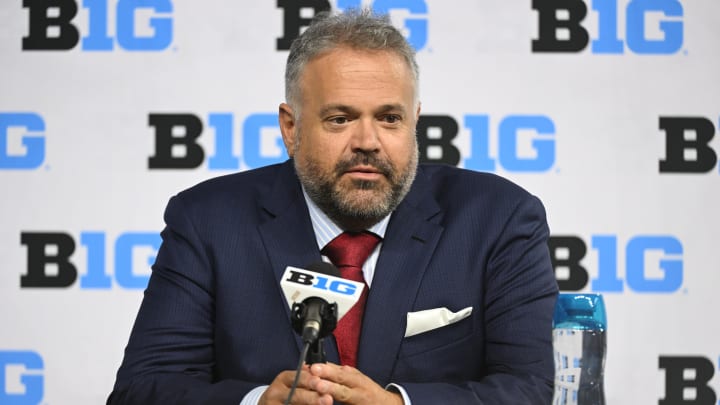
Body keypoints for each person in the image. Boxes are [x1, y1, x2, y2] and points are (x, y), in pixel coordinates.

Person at [108, 8, 558, 405]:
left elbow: (529, 390)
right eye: (339, 119)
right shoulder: (209, 221)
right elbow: (143, 390)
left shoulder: (498, 219)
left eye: (389, 118)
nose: (367, 142)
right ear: (291, 127)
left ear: (414, 121)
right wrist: (257, 402)